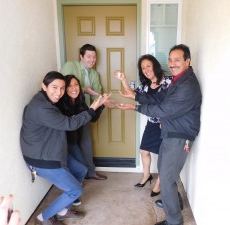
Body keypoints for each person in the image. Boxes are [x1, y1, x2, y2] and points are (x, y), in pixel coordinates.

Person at [117, 44, 202, 225]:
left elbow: (164, 109)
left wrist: (135, 107)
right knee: (165, 172)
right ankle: (175, 202)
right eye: (170, 60)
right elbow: (159, 98)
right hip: (170, 132)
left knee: (167, 178)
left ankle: (174, 221)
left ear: (188, 61)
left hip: (179, 136)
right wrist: (136, 98)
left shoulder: (188, 85)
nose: (172, 64)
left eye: (177, 60)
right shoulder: (179, 80)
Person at [20, 71, 110, 225]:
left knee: (80, 170)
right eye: (54, 87)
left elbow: (68, 120)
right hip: (42, 159)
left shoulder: (46, 101)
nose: (59, 92)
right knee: (75, 190)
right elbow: (70, 124)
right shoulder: (42, 108)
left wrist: (94, 108)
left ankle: (62, 211)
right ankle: (42, 218)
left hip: (51, 150)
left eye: (62, 88)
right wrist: (92, 108)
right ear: (44, 86)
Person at [114, 54, 172, 197]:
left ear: (155, 66)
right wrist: (123, 80)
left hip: (166, 124)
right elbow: (133, 94)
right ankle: (147, 176)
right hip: (152, 122)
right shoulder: (146, 86)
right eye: (143, 68)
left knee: (164, 156)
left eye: (148, 66)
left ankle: (159, 183)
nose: (146, 70)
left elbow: (168, 103)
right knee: (143, 150)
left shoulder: (168, 81)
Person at [57, 75, 107, 180]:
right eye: (69, 86)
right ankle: (79, 177)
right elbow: (68, 125)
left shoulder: (80, 100)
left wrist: (101, 105)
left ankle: (91, 172)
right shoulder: (61, 104)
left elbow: (92, 118)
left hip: (79, 133)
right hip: (68, 139)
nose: (74, 88)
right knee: (81, 167)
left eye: (76, 85)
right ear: (64, 88)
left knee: (86, 125)